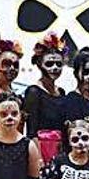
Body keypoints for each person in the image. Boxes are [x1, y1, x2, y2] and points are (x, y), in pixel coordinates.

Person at [24, 32, 68, 163]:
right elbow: (31, 132)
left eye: (58, 64)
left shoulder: (62, 92)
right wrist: (38, 160)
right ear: (39, 64)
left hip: (61, 151)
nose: (54, 68)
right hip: (41, 150)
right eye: (49, 64)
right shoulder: (33, 92)